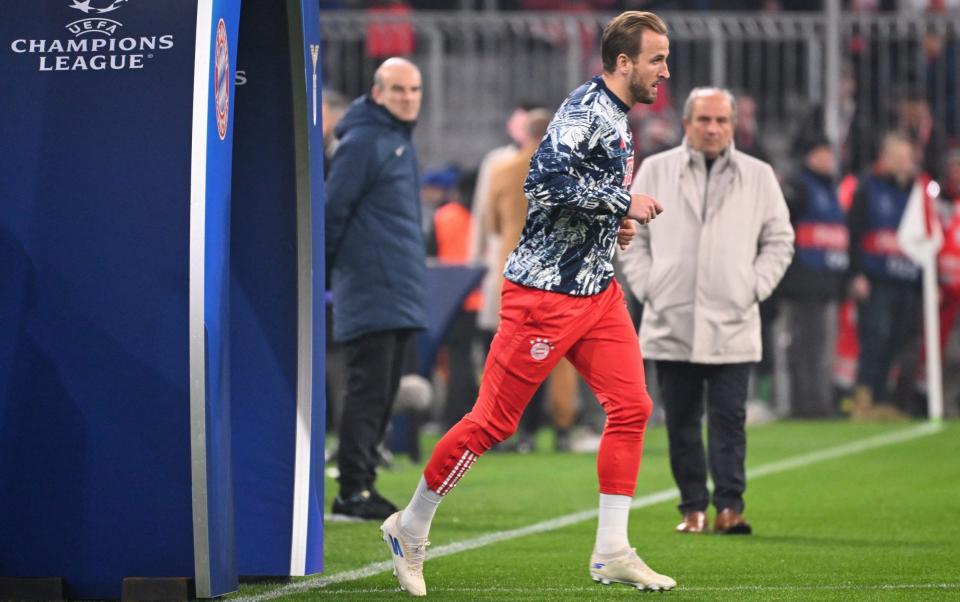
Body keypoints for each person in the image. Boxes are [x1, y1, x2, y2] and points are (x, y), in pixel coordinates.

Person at [381, 11, 676, 596]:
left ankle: (612, 550)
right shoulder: (587, 110)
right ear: (624, 63)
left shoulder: (617, 114)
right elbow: (542, 181)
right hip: (544, 297)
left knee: (632, 407)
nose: (664, 71)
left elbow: (573, 200)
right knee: (492, 422)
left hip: (596, 292)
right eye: (656, 59)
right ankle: (409, 525)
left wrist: (608, 225)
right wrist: (621, 202)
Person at [621, 87, 794, 536]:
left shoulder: (759, 175)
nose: (713, 128)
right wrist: (649, 286)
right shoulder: (655, 170)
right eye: (704, 120)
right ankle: (692, 508)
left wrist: (753, 287)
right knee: (679, 420)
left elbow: (780, 240)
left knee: (729, 419)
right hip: (670, 316)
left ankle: (729, 507)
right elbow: (629, 236)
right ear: (686, 123)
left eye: (721, 120)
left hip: (733, 318)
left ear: (734, 126)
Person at [325, 57, 427, 520]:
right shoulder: (364, 141)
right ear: (378, 91)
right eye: (399, 89)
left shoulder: (394, 140)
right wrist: (319, 278)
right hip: (371, 289)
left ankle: (363, 484)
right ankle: (350, 491)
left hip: (398, 290)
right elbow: (332, 212)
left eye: (414, 89)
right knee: (367, 393)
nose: (408, 97)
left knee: (382, 395)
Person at [846, 133, 923, 418]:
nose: (905, 163)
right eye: (900, 158)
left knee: (897, 340)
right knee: (875, 337)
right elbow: (853, 233)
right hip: (876, 278)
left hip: (906, 279)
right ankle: (864, 397)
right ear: (886, 158)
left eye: (908, 158)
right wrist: (856, 274)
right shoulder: (868, 187)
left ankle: (881, 399)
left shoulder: (916, 193)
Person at [778, 135, 849, 418]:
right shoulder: (798, 185)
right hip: (802, 280)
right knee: (805, 344)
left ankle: (818, 401)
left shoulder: (829, 187)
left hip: (824, 279)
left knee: (819, 344)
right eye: (823, 153)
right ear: (810, 156)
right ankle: (805, 404)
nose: (829, 159)